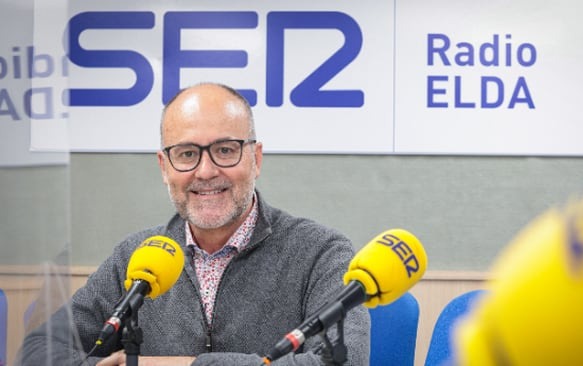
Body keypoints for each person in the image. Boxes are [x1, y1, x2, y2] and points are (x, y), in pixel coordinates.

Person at [19, 83, 370, 366]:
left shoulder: (320, 252)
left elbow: (343, 361)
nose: (205, 171)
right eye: (187, 153)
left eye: (225, 150)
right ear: (164, 167)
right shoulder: (137, 256)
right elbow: (40, 350)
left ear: (256, 158)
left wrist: (186, 365)